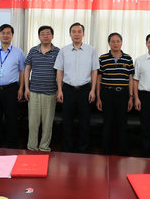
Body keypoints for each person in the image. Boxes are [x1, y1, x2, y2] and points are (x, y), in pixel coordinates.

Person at [54, 22, 99, 153]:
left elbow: (94, 71)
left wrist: (93, 90)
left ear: (83, 34)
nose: (76, 34)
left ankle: (82, 150)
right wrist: (60, 90)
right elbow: (59, 71)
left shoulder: (91, 50)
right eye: (74, 31)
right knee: (67, 122)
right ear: (70, 34)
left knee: (84, 122)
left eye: (79, 31)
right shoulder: (64, 50)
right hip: (67, 90)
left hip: (85, 90)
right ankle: (67, 150)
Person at [0, 24, 26, 148]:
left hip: (11, 89)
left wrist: (21, 88)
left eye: (8, 33)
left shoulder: (18, 52)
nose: (5, 35)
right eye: (3, 33)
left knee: (11, 119)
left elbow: (22, 71)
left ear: (12, 35)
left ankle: (12, 147)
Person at [96, 32, 134, 156]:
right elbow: (98, 79)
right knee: (107, 123)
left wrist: (131, 97)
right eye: (113, 41)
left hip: (123, 95)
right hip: (107, 94)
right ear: (109, 43)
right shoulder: (102, 58)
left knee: (122, 123)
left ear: (121, 43)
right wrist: (98, 97)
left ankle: (122, 152)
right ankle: (106, 152)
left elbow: (131, 79)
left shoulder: (128, 58)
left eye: (118, 41)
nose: (115, 43)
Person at [24, 26, 60, 151]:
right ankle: (32, 147)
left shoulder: (57, 52)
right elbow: (27, 69)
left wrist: (59, 89)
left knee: (47, 123)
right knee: (33, 123)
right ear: (39, 36)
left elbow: (60, 72)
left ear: (52, 36)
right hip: (33, 92)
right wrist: (26, 88)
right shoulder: (33, 51)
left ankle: (44, 147)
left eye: (48, 33)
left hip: (50, 93)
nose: (45, 36)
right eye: (42, 34)